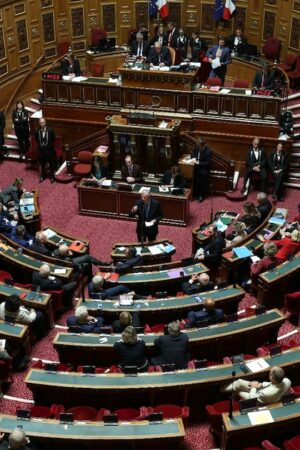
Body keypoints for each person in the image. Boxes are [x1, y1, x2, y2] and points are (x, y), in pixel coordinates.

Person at [221, 366, 291, 404]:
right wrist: (261, 384)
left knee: (238, 390)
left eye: (270, 374)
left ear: (271, 377)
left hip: (258, 399)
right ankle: (226, 389)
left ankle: (221, 391)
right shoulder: (287, 381)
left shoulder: (265, 393)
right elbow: (274, 384)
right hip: (267, 393)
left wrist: (253, 388)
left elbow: (253, 398)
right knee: (239, 382)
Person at [34, 117, 56, 183]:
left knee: (51, 164)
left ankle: (52, 176)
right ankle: (43, 176)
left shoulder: (50, 130)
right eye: (41, 123)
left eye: (43, 122)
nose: (42, 124)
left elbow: (53, 139)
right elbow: (36, 139)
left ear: (45, 122)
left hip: (49, 150)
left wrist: (47, 144)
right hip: (41, 150)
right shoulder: (36, 131)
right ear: (39, 123)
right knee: (42, 164)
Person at [191, 137, 212, 202]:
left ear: (203, 145)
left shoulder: (208, 151)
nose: (198, 147)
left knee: (202, 178)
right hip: (195, 167)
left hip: (203, 168)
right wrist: (194, 158)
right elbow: (193, 154)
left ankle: (201, 195)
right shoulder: (197, 147)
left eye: (199, 146)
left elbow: (207, 163)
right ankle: (194, 193)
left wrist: (198, 163)